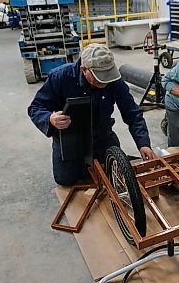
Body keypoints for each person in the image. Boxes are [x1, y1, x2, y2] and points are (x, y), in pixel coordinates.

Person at [28, 44, 156, 186]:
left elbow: (133, 113)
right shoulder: (60, 77)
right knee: (66, 180)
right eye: (99, 78)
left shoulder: (113, 80)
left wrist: (143, 143)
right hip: (70, 137)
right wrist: (50, 119)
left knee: (116, 172)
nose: (105, 82)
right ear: (84, 69)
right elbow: (36, 107)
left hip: (102, 135)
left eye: (108, 76)